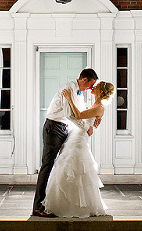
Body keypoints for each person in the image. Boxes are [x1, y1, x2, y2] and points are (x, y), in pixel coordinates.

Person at [42, 80, 115, 218]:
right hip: (75, 135)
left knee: (75, 169)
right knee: (67, 168)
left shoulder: (99, 107)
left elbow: (79, 115)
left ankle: (74, 206)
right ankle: (65, 203)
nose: (93, 87)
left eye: (96, 86)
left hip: (79, 139)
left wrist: (69, 99)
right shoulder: (95, 104)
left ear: (101, 92)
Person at [32, 68, 98, 218]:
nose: (90, 88)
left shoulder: (79, 93)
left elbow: (79, 112)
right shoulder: (68, 88)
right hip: (54, 128)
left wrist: (94, 117)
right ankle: (37, 207)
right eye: (90, 85)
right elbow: (70, 114)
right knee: (47, 165)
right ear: (84, 80)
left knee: (63, 165)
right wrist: (86, 127)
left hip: (66, 128)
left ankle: (56, 203)